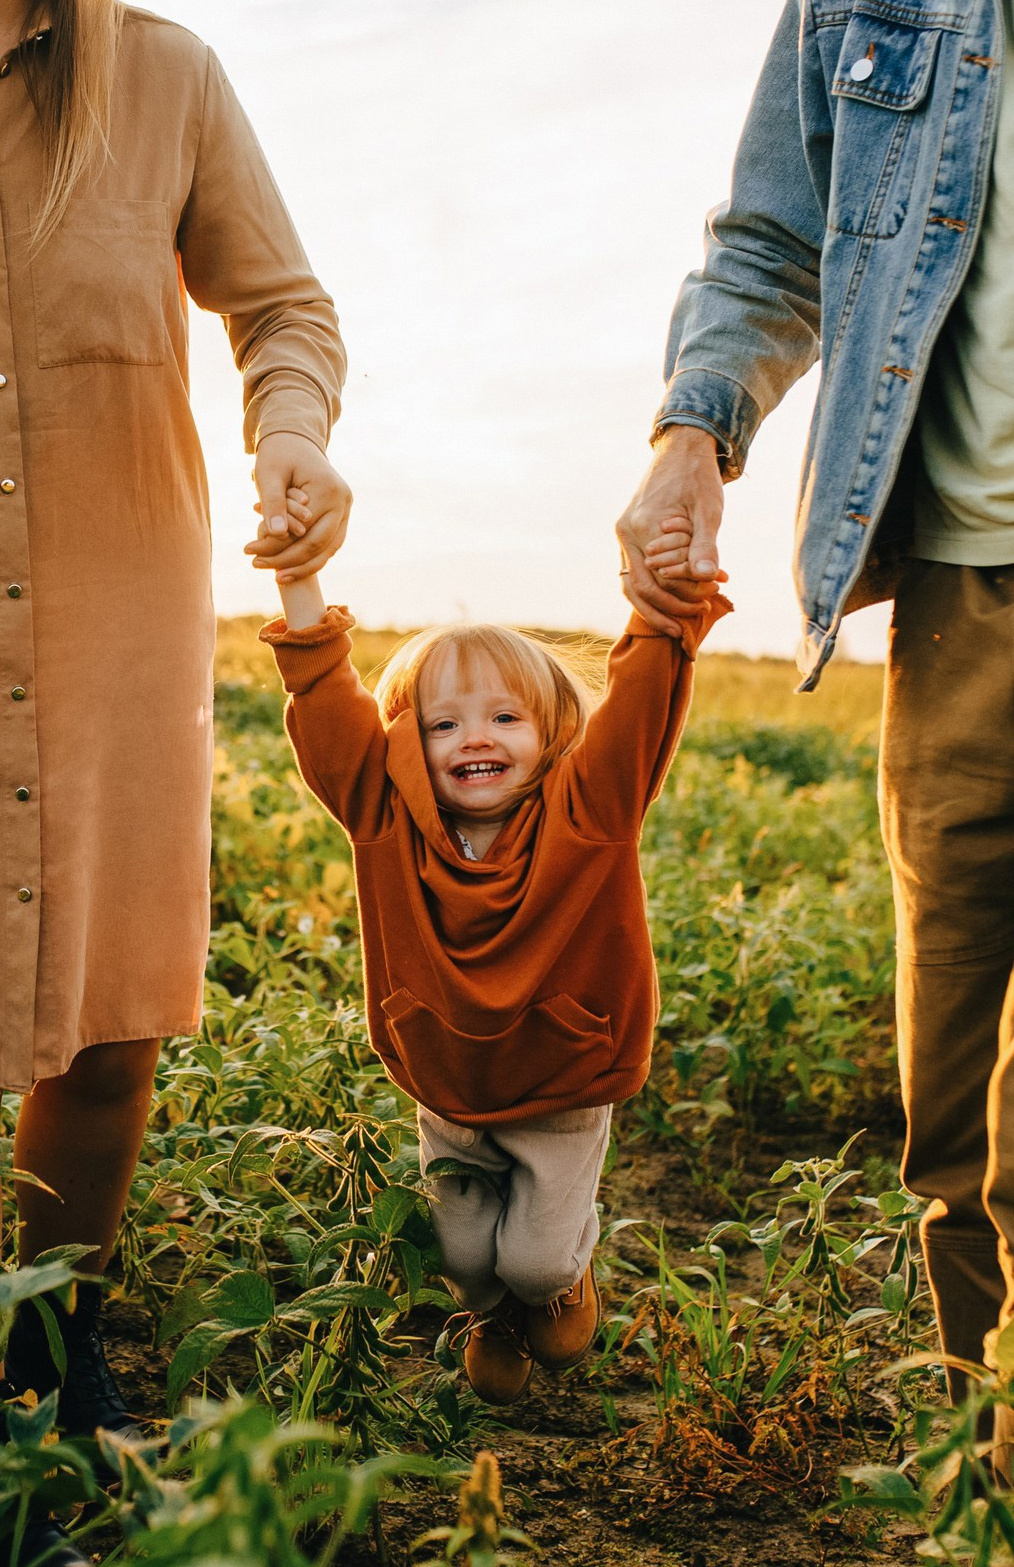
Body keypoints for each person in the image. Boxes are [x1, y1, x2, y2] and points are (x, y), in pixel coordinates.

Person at [615, 0, 1014, 1482]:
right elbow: (773, 242)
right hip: (946, 592)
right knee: (955, 1121)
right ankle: (979, 1479)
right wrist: (693, 439)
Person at [0, 3, 348, 1556]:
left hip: (117, 608)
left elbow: (285, 308)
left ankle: (42, 1375)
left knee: (111, 1024)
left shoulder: (168, 74)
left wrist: (295, 432)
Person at [258, 545, 729, 1404]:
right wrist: (298, 583)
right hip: (450, 1085)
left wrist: (663, 609)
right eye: (442, 724)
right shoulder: (384, 816)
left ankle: (559, 1283)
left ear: (552, 735)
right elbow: (327, 708)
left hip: (563, 1082)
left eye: (505, 718)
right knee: (463, 1259)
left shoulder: (592, 810)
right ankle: (492, 1314)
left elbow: (640, 707)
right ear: (406, 743)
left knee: (534, 1256)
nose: (474, 737)